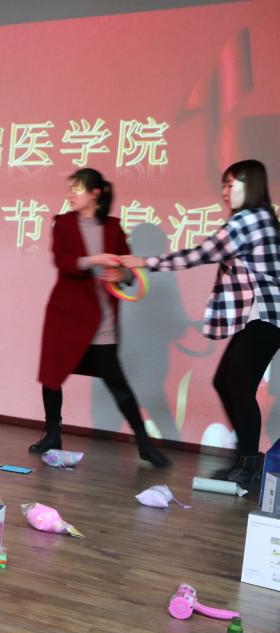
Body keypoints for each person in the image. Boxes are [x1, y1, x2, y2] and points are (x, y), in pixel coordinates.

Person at [121, 159, 280, 489]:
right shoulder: (258, 218)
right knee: (227, 381)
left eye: (231, 184)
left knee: (236, 385)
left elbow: (200, 254)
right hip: (261, 317)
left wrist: (144, 261)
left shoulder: (250, 219)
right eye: (223, 185)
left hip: (269, 316)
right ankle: (245, 461)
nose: (224, 192)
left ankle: (249, 465)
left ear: (250, 186)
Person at [31, 168, 170, 468]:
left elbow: (129, 272)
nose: (70, 194)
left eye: (77, 188)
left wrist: (122, 273)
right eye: (69, 188)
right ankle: (52, 434)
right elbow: (64, 262)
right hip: (66, 316)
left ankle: (144, 444)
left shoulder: (113, 228)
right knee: (52, 377)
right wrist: (96, 259)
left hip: (101, 321)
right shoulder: (62, 223)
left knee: (118, 383)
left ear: (95, 193)